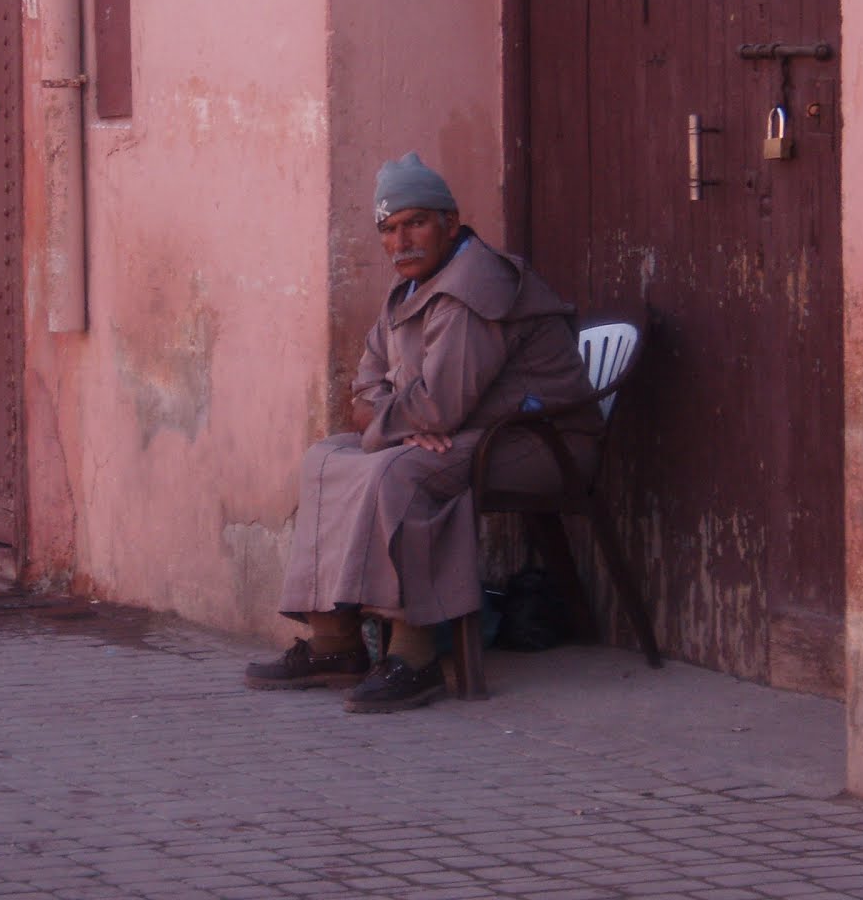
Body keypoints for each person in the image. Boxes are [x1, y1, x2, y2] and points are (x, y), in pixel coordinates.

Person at [246, 152, 603, 712]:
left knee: (403, 473)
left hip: (542, 445)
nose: (401, 240)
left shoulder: (474, 285)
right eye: (389, 229)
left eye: (415, 222)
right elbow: (364, 392)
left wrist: (399, 424)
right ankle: (334, 643)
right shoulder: (409, 291)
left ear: (450, 223)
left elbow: (437, 408)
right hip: (472, 434)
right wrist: (397, 423)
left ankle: (415, 656)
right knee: (325, 458)